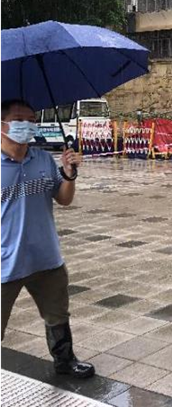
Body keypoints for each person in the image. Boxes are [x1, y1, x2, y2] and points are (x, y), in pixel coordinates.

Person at [1, 99, 95, 378]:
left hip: (46, 258)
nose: (27, 125)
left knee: (57, 314)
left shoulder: (42, 159)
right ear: (2, 124)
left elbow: (63, 199)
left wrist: (69, 175)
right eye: (19, 119)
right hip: (5, 262)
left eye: (32, 120)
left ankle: (65, 360)